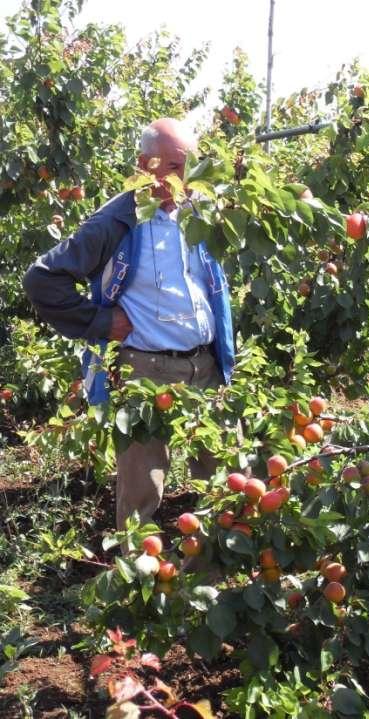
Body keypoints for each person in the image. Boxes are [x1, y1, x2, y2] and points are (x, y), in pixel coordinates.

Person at [23, 118, 235, 531]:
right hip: (145, 373)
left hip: (205, 368)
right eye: (175, 166)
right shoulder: (117, 221)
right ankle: (139, 586)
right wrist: (100, 321)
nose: (186, 178)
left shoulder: (199, 213)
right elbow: (41, 279)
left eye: (191, 166)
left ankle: (202, 580)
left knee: (221, 483)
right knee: (143, 492)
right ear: (144, 164)